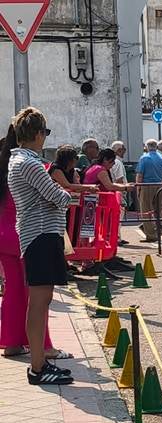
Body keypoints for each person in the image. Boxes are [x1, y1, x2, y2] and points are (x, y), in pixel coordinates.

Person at [8, 108, 92, 384]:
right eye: (45, 133)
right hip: (41, 235)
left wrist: (64, 196)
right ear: (37, 133)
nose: (45, 138)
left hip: (37, 234)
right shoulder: (30, 163)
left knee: (40, 302)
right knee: (39, 302)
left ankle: (40, 363)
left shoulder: (18, 159)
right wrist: (71, 197)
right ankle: (37, 367)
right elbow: (55, 194)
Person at [1, 126, 80, 364]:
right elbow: (54, 196)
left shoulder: (7, 165)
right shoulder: (31, 165)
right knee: (38, 297)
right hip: (28, 233)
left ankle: (12, 342)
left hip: (4, 235)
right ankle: (44, 347)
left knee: (13, 291)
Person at [135, 139, 162, 242]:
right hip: (159, 185)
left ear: (146, 147)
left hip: (146, 185)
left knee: (146, 210)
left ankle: (150, 235)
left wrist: (138, 188)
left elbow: (140, 175)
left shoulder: (144, 158)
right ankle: (158, 232)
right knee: (158, 210)